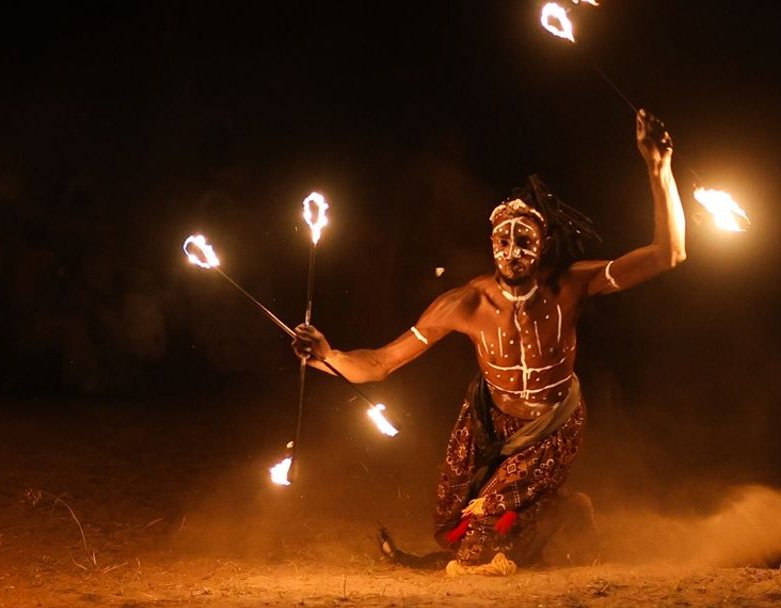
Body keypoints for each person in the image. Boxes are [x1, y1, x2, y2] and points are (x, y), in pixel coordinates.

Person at [292, 109, 685, 575]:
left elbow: (668, 253)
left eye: (525, 240)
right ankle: (563, 510)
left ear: (543, 247)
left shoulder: (570, 285)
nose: (513, 250)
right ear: (490, 245)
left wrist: (659, 169)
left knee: (480, 546)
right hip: (490, 422)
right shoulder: (464, 304)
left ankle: (555, 513)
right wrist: (326, 356)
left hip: (553, 425)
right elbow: (379, 363)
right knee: (450, 521)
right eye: (503, 240)